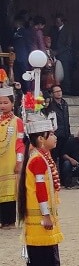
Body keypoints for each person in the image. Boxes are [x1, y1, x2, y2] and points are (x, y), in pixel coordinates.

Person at [18, 113, 63, 266]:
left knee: (45, 253)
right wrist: (45, 215)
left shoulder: (43, 157)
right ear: (40, 139)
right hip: (40, 219)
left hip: (43, 218)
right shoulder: (38, 160)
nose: (55, 137)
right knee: (43, 255)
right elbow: (40, 190)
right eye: (50, 134)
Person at [0, 85, 25, 228]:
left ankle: (9, 220)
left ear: (12, 103)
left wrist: (19, 161)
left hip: (10, 161)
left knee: (9, 191)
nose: (2, 106)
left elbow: (20, 143)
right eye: (0, 103)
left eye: (5, 102)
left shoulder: (17, 122)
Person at [44, 86, 70, 165]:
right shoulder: (50, 105)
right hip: (55, 135)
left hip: (65, 135)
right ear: (52, 94)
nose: (59, 93)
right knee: (54, 157)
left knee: (64, 158)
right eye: (56, 91)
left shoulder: (64, 104)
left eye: (60, 91)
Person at [51, 14, 74, 93]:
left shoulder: (68, 30)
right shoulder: (53, 30)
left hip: (65, 56)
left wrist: (57, 51)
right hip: (54, 55)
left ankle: (67, 91)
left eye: (58, 21)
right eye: (55, 21)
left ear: (62, 21)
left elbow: (68, 45)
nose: (56, 23)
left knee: (66, 74)